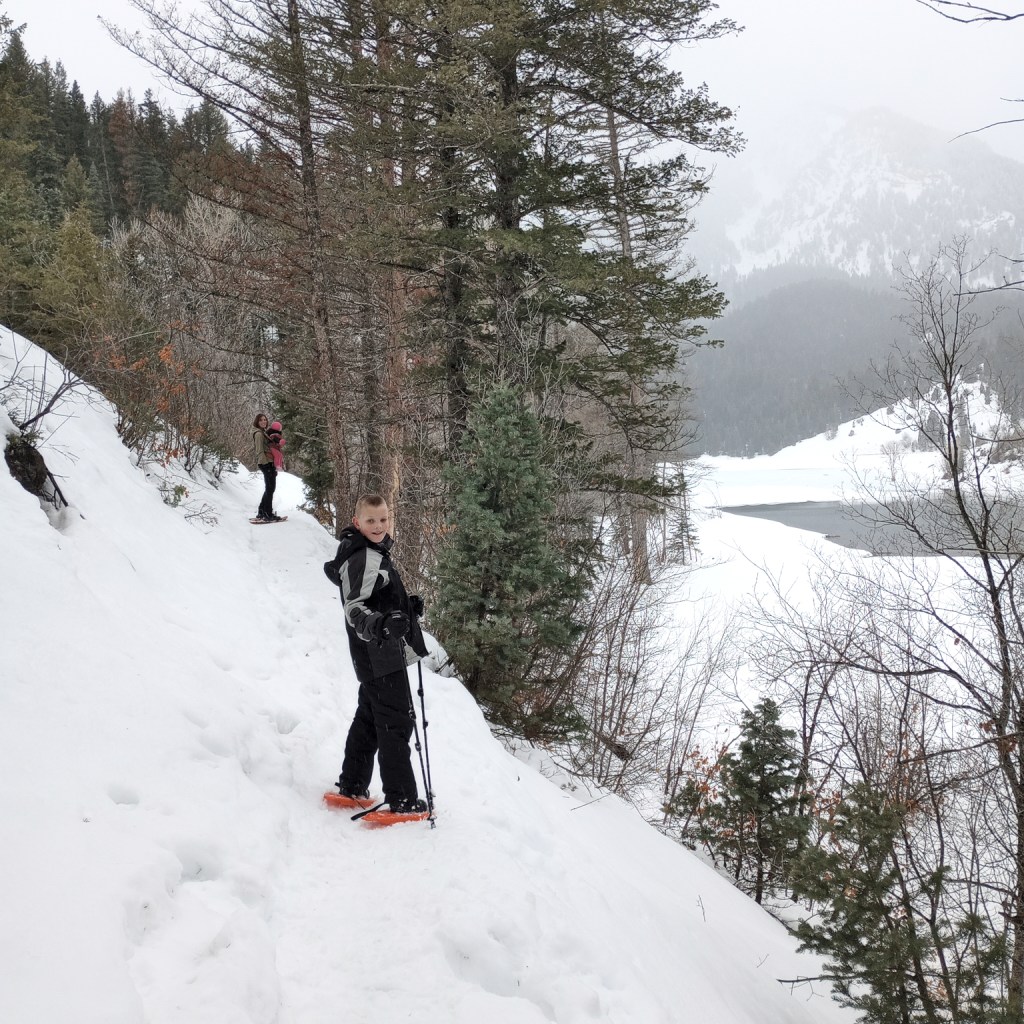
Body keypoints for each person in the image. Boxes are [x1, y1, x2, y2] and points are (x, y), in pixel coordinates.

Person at [324, 494, 429, 817]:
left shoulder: (368, 550)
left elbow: (375, 596)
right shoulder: (365, 556)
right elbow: (355, 608)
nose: (379, 525)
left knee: (369, 719)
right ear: (357, 522)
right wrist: (383, 625)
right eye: (371, 520)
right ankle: (402, 801)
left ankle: (352, 784)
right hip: (380, 655)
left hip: (372, 656)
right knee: (396, 723)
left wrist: (404, 608)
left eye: (383, 519)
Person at [251, 413, 282, 522]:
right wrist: (266, 465)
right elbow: (259, 451)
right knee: (270, 488)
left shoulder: (263, 432)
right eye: (261, 420)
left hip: (269, 463)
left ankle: (262, 512)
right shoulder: (259, 434)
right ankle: (267, 514)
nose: (264, 421)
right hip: (265, 463)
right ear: (257, 422)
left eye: (265, 419)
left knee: (270, 488)